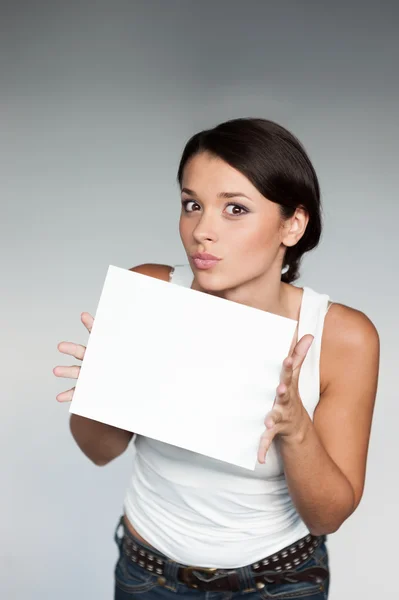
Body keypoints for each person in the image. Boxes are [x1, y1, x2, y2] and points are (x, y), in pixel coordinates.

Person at [53, 118, 379, 599]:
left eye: (235, 209)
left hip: (280, 581)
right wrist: (106, 386)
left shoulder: (342, 337)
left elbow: (327, 515)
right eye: (192, 205)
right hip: (150, 575)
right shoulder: (151, 291)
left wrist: (295, 429)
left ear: (293, 223)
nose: (202, 230)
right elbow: (98, 450)